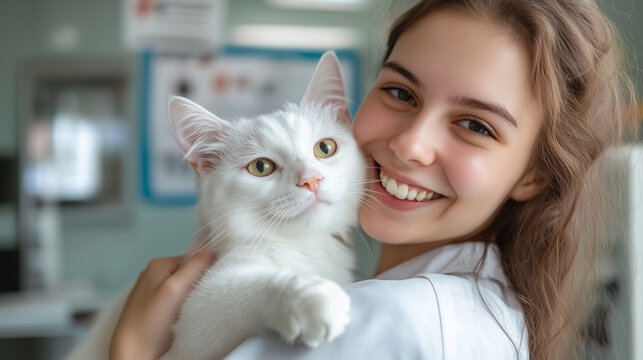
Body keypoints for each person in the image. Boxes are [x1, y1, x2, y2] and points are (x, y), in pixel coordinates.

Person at [109, 0, 637, 359]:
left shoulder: (386, 322)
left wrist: (130, 349)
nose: (410, 144)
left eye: (475, 126)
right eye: (401, 93)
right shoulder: (488, 310)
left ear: (535, 174)